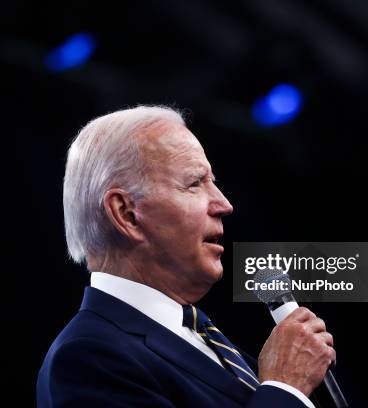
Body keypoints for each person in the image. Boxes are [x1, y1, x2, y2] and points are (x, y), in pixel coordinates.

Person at [37, 106, 336, 407]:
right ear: (126, 214)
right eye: (195, 183)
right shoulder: (87, 358)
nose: (224, 204)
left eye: (213, 183)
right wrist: (285, 388)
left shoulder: (207, 340)